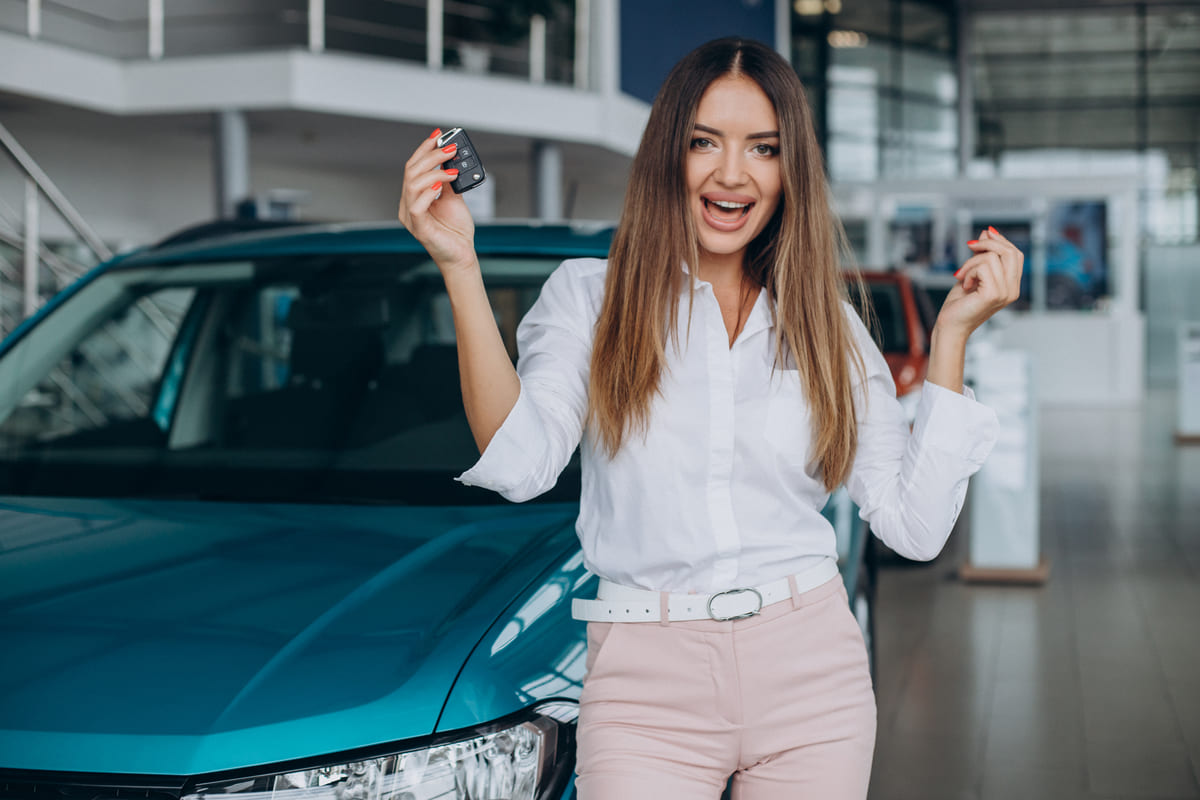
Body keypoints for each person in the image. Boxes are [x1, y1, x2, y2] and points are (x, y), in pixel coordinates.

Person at [397, 36, 1020, 800]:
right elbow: (522, 465)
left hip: (810, 672)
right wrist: (461, 267)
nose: (733, 173)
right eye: (704, 144)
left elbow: (914, 528)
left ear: (791, 171)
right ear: (669, 155)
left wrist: (952, 334)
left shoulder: (827, 323)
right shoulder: (590, 299)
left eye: (763, 148)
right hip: (645, 683)